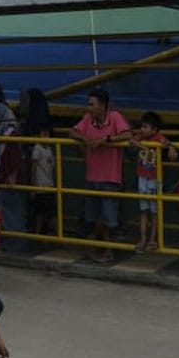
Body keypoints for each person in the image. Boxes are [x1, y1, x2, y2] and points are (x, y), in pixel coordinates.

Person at [69, 88, 132, 262]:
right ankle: (103, 247)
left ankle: (100, 246)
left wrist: (106, 140)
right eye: (88, 104)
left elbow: (127, 134)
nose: (89, 108)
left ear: (102, 105)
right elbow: (72, 131)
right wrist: (86, 140)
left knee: (107, 217)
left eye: (92, 104)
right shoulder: (88, 119)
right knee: (94, 216)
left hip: (110, 176)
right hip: (92, 175)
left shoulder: (115, 117)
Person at [0, 79, 26, 251]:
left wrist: (13, 174)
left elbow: (15, 156)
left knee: (11, 213)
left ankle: (15, 246)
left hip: (7, 178)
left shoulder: (8, 133)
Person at [130, 111, 178, 253]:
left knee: (155, 211)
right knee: (144, 210)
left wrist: (171, 147)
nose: (142, 129)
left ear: (154, 129)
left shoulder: (158, 137)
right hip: (142, 177)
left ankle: (153, 239)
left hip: (155, 179)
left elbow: (167, 142)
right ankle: (143, 238)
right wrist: (144, 147)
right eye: (142, 126)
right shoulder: (141, 137)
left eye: (145, 127)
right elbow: (131, 141)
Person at [19, 89, 56, 235]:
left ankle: (36, 230)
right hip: (46, 182)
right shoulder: (47, 145)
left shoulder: (37, 144)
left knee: (39, 207)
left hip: (40, 181)